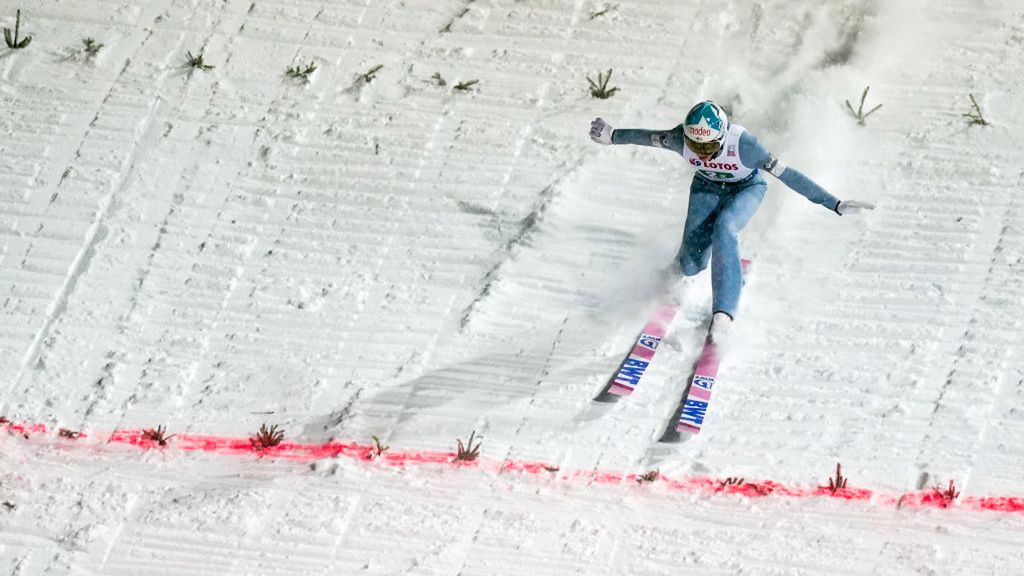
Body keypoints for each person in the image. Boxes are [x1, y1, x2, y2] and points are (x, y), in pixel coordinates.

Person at [589, 100, 875, 341]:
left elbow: (788, 175)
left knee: (725, 228)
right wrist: (613, 135)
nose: (701, 153)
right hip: (706, 188)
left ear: (722, 137)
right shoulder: (679, 139)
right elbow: (649, 137)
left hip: (746, 188)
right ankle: (670, 273)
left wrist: (834, 203)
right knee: (693, 263)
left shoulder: (745, 145)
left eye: (708, 147)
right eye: (695, 146)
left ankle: (723, 312)